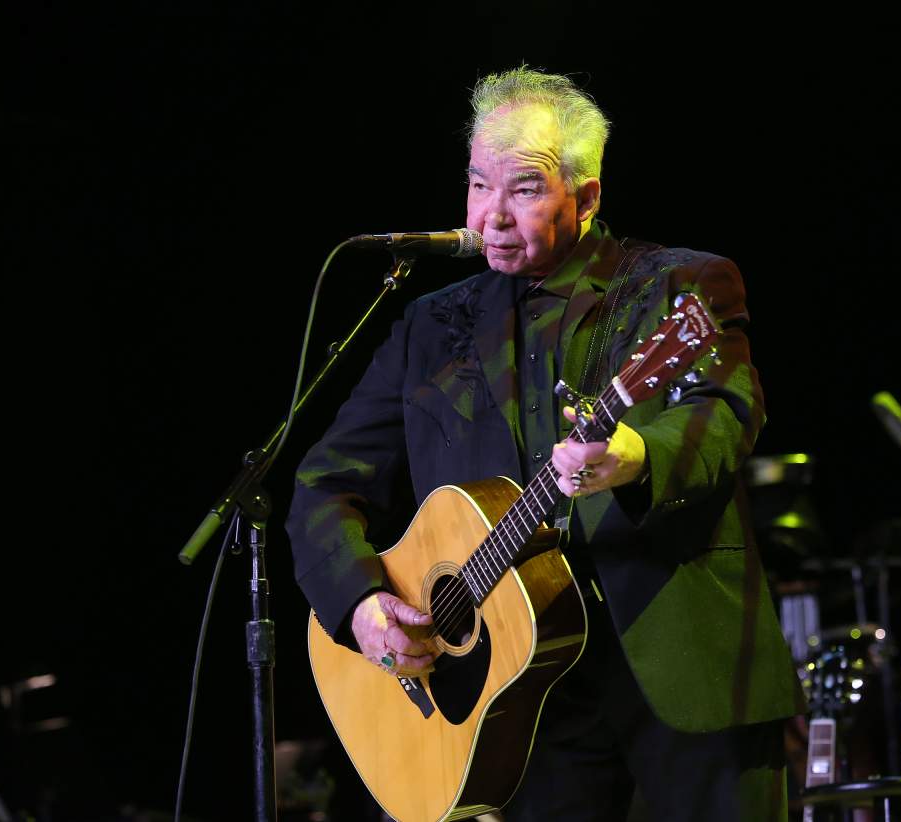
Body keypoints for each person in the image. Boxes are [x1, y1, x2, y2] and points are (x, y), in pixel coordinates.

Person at [286, 67, 803, 820]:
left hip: (680, 676)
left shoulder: (677, 286)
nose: (491, 215)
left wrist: (632, 456)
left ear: (586, 198)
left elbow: (723, 415)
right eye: (476, 185)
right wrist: (363, 602)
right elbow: (323, 483)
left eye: (524, 189)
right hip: (519, 707)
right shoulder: (430, 326)